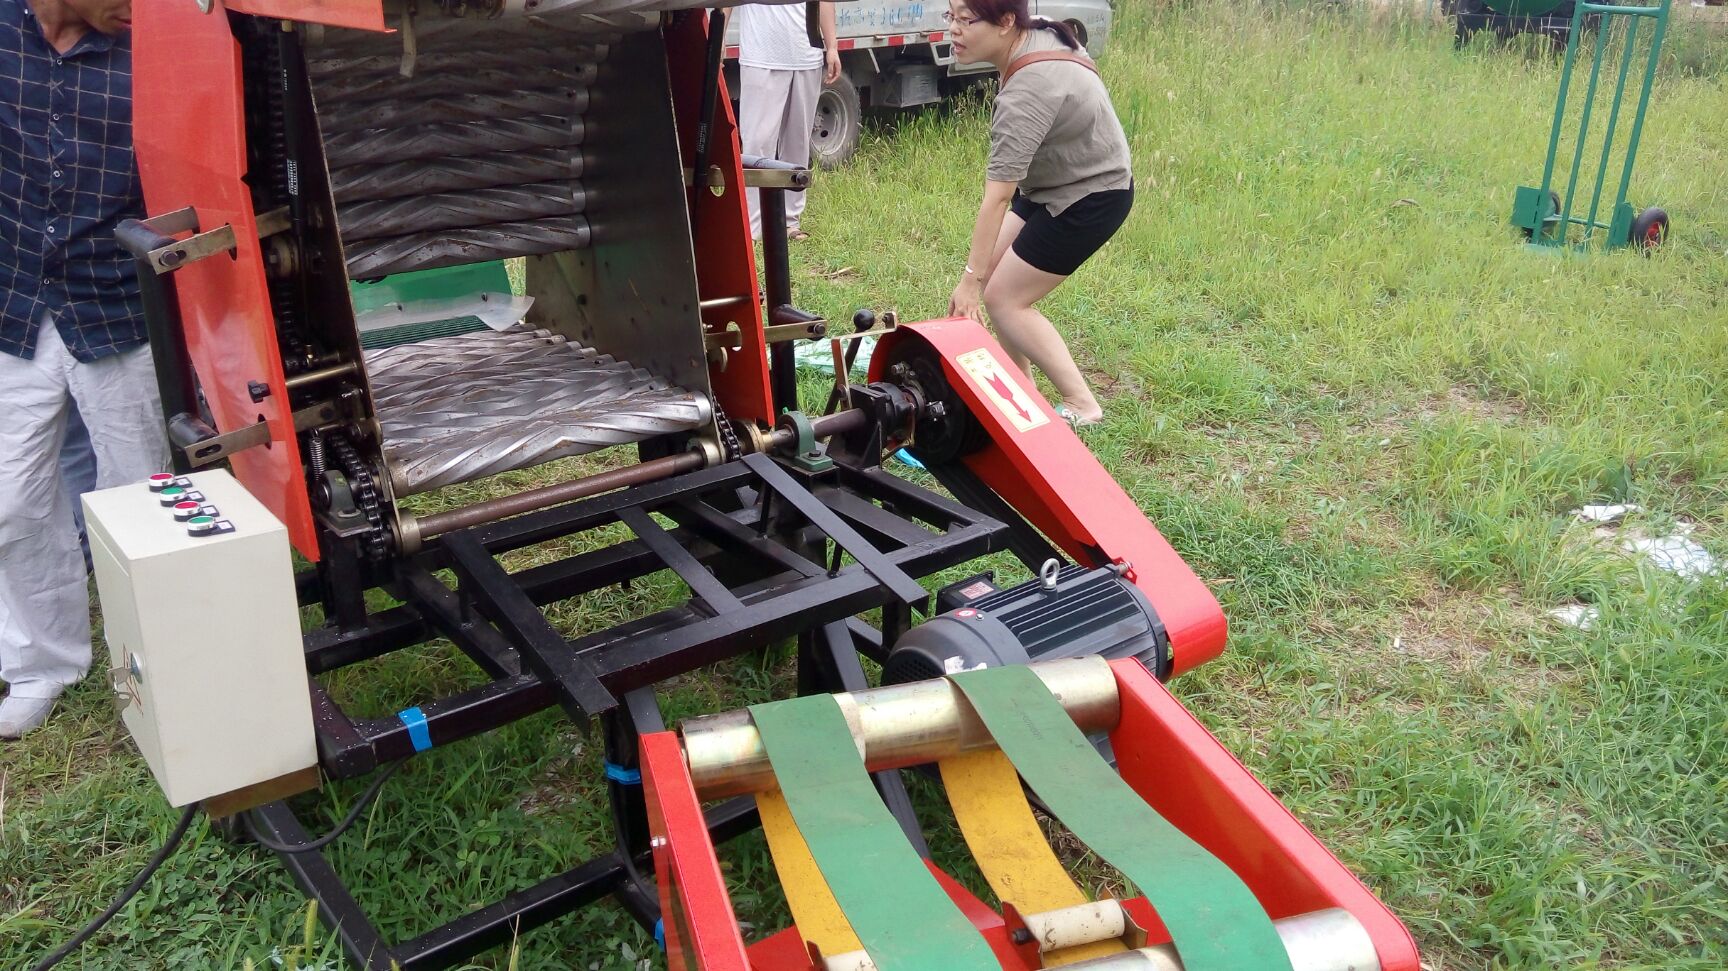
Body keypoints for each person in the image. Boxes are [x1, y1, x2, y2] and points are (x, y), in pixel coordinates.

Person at [1, 0, 169, 739]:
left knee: (140, 494)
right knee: (10, 499)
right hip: (13, 299)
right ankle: (43, 661)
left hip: (116, 302)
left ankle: (154, 664)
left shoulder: (152, 43)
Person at [944, 0, 1133, 426]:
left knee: (1003, 298)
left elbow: (995, 198)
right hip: (1053, 182)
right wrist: (976, 274)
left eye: (966, 20)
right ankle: (1024, 395)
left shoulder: (1028, 91)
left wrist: (969, 281)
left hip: (1092, 195)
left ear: (1007, 22)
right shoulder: (1038, 29)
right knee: (995, 280)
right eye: (950, 16)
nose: (953, 30)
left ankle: (1082, 404)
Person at [736, 0, 840, 241]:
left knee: (797, 143)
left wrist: (832, 46)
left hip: (806, 57)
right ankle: (753, 227)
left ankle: (790, 222)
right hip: (761, 56)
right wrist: (718, 37)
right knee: (756, 144)